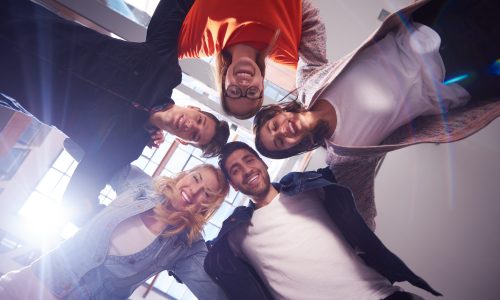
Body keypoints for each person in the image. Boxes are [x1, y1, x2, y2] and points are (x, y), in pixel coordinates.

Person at [253, 0, 500, 229]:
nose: (283, 131)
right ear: (292, 149)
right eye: (280, 142)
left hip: (433, 31)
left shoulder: (309, 83)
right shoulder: (343, 158)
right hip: (457, 79)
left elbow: (309, 22)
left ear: (280, 111)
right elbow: (362, 215)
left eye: (274, 125)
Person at [0, 0, 230, 224]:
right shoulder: (163, 68)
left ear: (183, 141)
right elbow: (173, 9)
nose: (191, 126)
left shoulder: (124, 147)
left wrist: (130, 226)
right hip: (24, 21)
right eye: (199, 121)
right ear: (194, 108)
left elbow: (77, 201)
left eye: (195, 136)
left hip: (10, 78)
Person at [204, 141, 440, 300]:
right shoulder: (234, 236)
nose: (246, 170)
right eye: (235, 170)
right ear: (233, 184)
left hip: (378, 295)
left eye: (249, 160)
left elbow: (356, 153)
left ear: (263, 162)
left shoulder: (308, 187)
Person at [0, 163, 229, 299]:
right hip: (30, 283)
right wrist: (137, 133)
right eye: (195, 179)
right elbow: (86, 149)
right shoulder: (142, 186)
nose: (195, 191)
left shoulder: (187, 246)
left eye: (207, 194)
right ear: (184, 175)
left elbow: (214, 294)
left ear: (208, 207)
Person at [177, 0, 321, 119]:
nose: (244, 85)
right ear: (262, 87)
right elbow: (309, 15)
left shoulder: (196, 42)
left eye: (234, 91)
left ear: (223, 83)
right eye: (252, 93)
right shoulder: (290, 53)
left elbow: (157, 51)